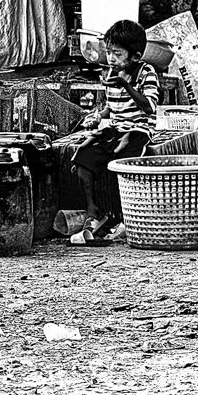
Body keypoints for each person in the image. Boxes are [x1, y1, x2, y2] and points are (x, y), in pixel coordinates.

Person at [54, 18, 162, 246]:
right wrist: (97, 116)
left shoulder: (146, 72)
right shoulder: (109, 73)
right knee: (84, 155)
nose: (111, 58)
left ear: (135, 56)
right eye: (109, 52)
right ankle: (93, 210)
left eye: (117, 54)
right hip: (115, 128)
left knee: (123, 157)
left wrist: (126, 85)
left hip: (138, 129)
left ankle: (125, 217)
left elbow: (149, 106)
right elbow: (110, 106)